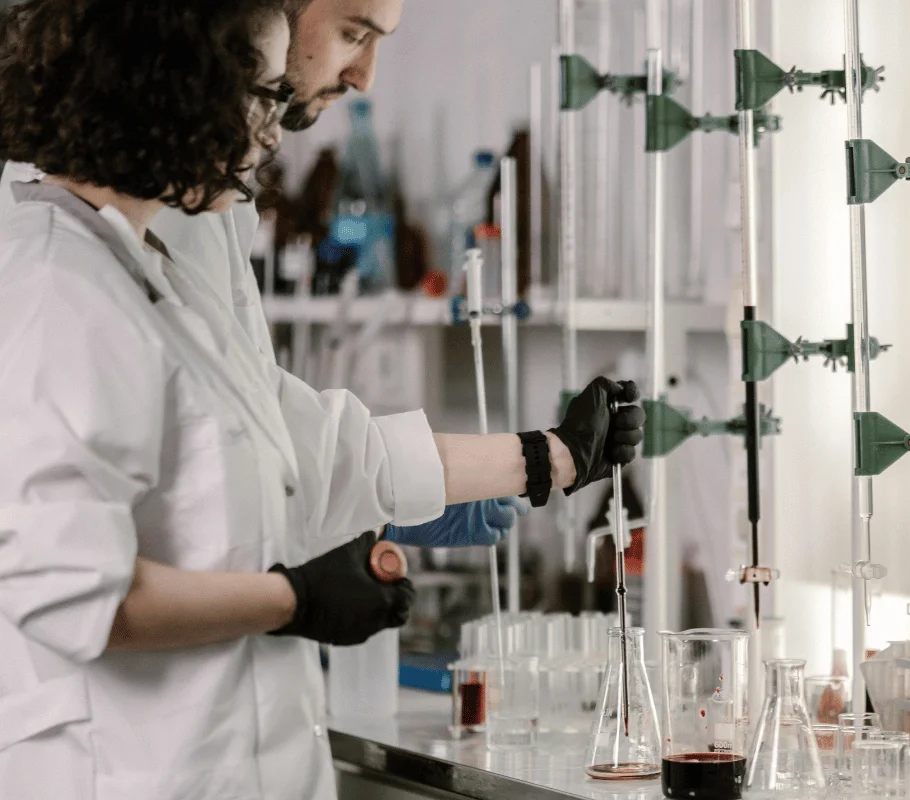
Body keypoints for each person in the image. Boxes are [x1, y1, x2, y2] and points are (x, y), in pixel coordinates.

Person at [0, 2, 643, 799]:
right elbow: (65, 588)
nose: (270, 139)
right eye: (263, 96)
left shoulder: (148, 261)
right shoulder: (56, 280)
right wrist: (294, 599)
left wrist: (548, 457)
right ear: (178, 88)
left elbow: (290, 444)